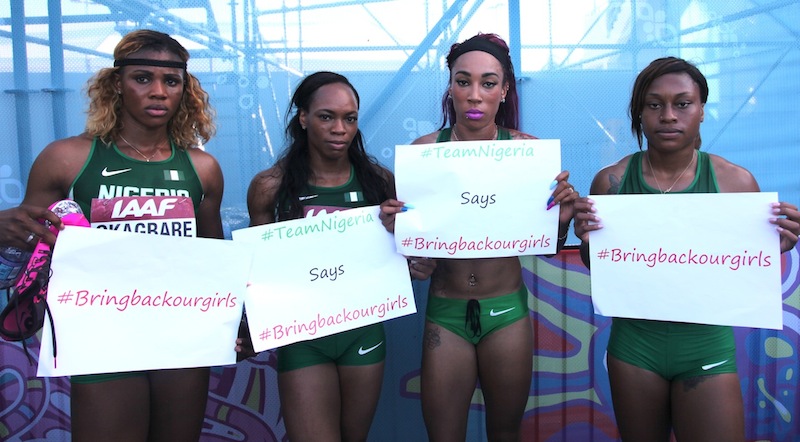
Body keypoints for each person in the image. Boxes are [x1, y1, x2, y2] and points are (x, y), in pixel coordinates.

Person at [573, 56, 800, 441]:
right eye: (654, 104)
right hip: (634, 348)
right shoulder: (611, 181)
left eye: (682, 103)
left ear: (701, 112)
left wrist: (774, 248)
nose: (668, 115)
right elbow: (599, 265)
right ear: (640, 114)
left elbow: (744, 266)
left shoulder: (736, 182)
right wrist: (586, 240)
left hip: (706, 348)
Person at [21, 29, 224, 441]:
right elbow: (27, 256)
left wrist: (233, 321)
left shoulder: (202, 168)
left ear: (185, 90)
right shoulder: (66, 158)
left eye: (171, 81)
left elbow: (213, 260)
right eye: (142, 78)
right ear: (116, 84)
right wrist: (12, 233)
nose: (158, 92)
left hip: (180, 334)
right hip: (101, 336)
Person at [380, 33, 577, 442]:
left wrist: (562, 217)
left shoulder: (527, 155)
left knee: (505, 433)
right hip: (445, 312)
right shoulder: (423, 154)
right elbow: (415, 260)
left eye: (488, 83)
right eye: (462, 81)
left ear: (504, 91)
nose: (474, 95)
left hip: (505, 311)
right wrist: (400, 238)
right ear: (449, 86)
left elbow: (550, 246)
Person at [239, 71, 433, 442]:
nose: (339, 128)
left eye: (349, 118)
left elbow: (407, 255)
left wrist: (417, 261)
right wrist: (246, 325)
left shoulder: (379, 182)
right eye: (326, 116)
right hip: (302, 338)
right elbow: (254, 269)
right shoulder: (270, 186)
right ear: (303, 118)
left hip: (363, 333)